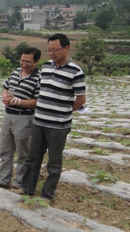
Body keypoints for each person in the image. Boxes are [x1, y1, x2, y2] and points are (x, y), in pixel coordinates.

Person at [21, 33, 86, 200]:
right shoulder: (46, 66)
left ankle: (47, 194)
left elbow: (81, 99)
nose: (51, 53)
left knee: (54, 162)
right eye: (49, 50)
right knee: (33, 157)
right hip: (39, 121)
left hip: (58, 125)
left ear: (66, 48)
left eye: (55, 50)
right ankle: (28, 189)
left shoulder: (76, 71)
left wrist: (64, 109)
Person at [0, 48, 41, 190]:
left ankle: (18, 182)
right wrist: (5, 96)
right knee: (5, 150)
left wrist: (18, 102)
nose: (24, 64)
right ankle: (3, 180)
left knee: (23, 153)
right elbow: (6, 87)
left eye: (28, 61)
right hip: (8, 116)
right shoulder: (16, 72)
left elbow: (37, 101)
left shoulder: (38, 78)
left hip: (25, 118)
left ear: (36, 61)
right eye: (22, 60)